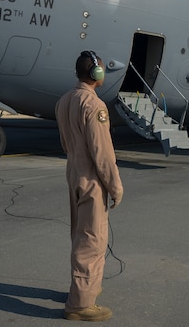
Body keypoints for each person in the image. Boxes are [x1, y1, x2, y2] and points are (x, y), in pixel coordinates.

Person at [55, 50, 124, 322]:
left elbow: (65, 143)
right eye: (103, 70)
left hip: (73, 173)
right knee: (92, 241)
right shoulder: (94, 105)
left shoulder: (64, 101)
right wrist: (115, 187)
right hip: (91, 180)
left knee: (80, 235)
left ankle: (84, 288)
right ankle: (81, 304)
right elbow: (103, 154)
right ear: (96, 74)